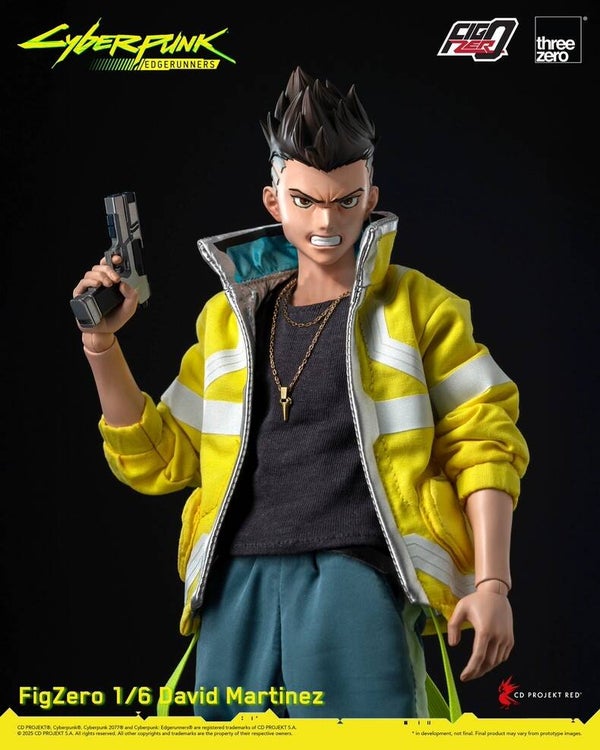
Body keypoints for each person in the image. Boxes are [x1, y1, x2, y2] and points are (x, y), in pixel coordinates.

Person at [72, 66, 529, 719]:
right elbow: (162, 457)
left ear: (371, 198)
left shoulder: (419, 308)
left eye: (346, 200)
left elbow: (484, 441)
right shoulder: (228, 322)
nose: (326, 220)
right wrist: (102, 345)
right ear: (273, 202)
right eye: (305, 200)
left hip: (356, 574)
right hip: (233, 583)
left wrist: (493, 583)